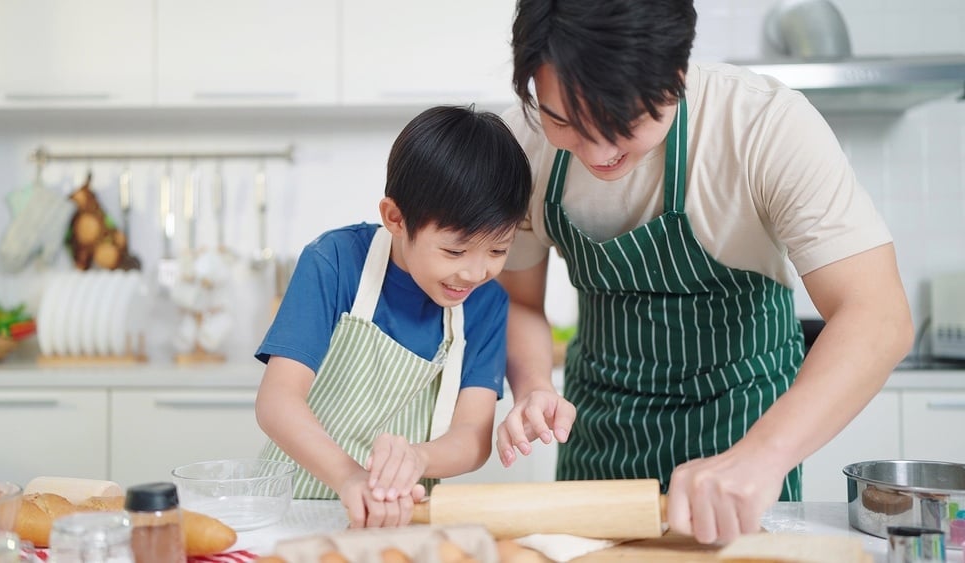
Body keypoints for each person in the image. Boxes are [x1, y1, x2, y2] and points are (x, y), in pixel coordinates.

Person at [494, 0, 914, 545]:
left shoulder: (763, 126)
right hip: (599, 431)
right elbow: (518, 301)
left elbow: (878, 315)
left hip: (742, 428)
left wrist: (762, 457)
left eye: (622, 121)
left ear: (677, 74)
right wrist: (530, 387)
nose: (597, 153)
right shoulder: (522, 146)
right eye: (564, 121)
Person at [254, 105, 532, 529]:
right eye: (455, 251)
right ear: (396, 218)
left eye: (497, 250)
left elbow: (473, 437)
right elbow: (277, 401)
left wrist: (418, 457)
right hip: (295, 510)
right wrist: (350, 477)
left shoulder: (486, 304)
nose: (476, 273)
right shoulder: (334, 262)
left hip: (397, 515)